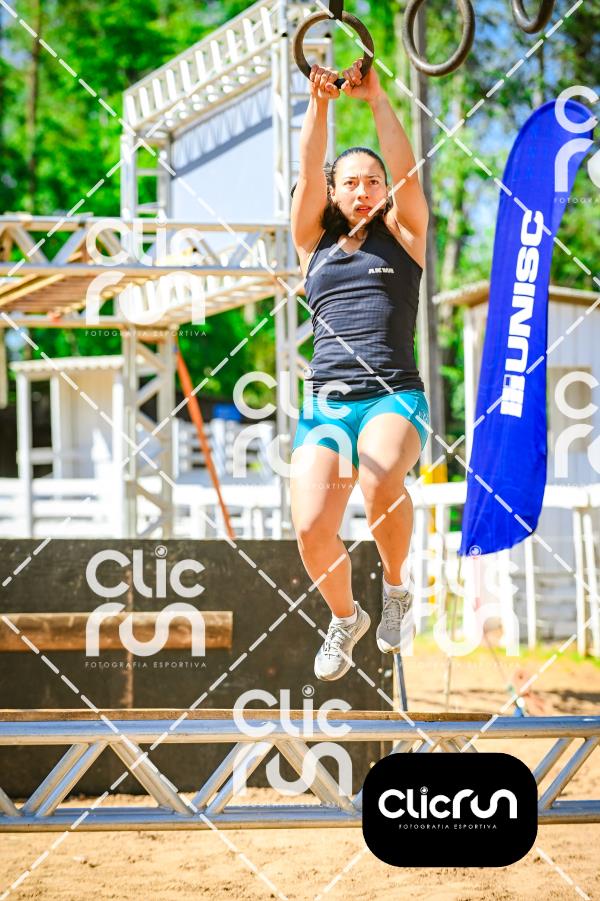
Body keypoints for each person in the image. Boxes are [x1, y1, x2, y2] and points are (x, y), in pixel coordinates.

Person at [289, 58, 430, 682]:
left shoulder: (404, 234)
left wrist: (375, 100)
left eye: (373, 181)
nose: (364, 189)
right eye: (350, 181)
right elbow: (306, 171)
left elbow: (408, 170)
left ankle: (395, 589)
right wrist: (319, 104)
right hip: (326, 401)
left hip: (392, 395)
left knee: (378, 477)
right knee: (310, 527)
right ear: (334, 191)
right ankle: (347, 618)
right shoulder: (311, 243)